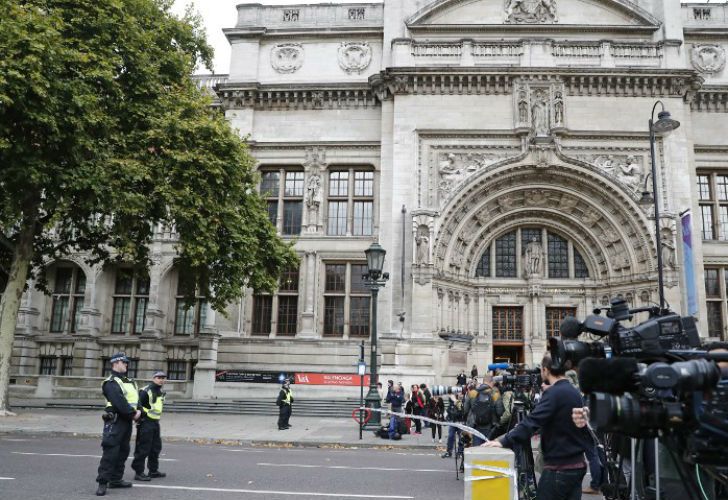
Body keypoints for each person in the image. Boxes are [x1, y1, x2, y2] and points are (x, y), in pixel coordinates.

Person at [486, 354, 591, 500]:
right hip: (577, 465)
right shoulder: (574, 392)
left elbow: (531, 422)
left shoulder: (554, 393)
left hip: (559, 467)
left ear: (546, 370)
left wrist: (503, 440)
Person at [95, 353, 141, 497]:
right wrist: (133, 414)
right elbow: (118, 401)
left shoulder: (130, 381)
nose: (127, 365)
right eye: (124, 362)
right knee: (111, 451)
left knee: (123, 451)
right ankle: (103, 483)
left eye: (127, 362)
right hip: (115, 421)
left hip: (127, 422)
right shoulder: (111, 382)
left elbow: (136, 399)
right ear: (115, 363)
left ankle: (116, 479)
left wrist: (139, 411)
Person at [131, 371, 167, 482]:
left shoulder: (160, 391)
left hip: (155, 423)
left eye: (163, 378)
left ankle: (153, 471)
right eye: (159, 377)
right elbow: (138, 406)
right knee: (143, 448)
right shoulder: (146, 391)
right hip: (146, 422)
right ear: (153, 378)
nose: (161, 380)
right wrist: (141, 419)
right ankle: (139, 472)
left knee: (155, 448)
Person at [464, 375, 500, 446]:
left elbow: (465, 409)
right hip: (490, 427)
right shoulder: (495, 394)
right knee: (489, 448)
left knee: (477, 450)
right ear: (491, 382)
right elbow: (499, 412)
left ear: (483, 381)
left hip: (475, 426)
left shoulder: (472, 393)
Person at [441, 393, 465, 458]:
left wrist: (455, 403)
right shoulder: (452, 401)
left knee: (461, 438)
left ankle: (460, 452)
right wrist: (449, 415)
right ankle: (449, 452)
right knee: (450, 436)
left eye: (461, 393)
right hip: (453, 422)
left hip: (461, 422)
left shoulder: (464, 401)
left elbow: (462, 412)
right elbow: (449, 410)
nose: (460, 394)